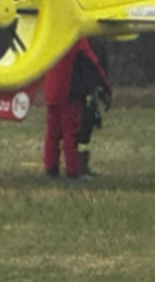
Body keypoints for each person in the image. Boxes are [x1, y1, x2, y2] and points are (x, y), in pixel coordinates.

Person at [43, 38, 110, 180]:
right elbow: (92, 61)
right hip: (70, 92)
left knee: (52, 133)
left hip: (51, 91)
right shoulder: (76, 39)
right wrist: (105, 85)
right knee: (71, 133)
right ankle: (73, 171)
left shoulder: (49, 38)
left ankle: (51, 168)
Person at [75, 38, 112, 176]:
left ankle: (80, 165)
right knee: (82, 130)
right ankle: (79, 166)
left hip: (85, 90)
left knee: (85, 129)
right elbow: (98, 68)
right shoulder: (89, 44)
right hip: (84, 91)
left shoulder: (89, 43)